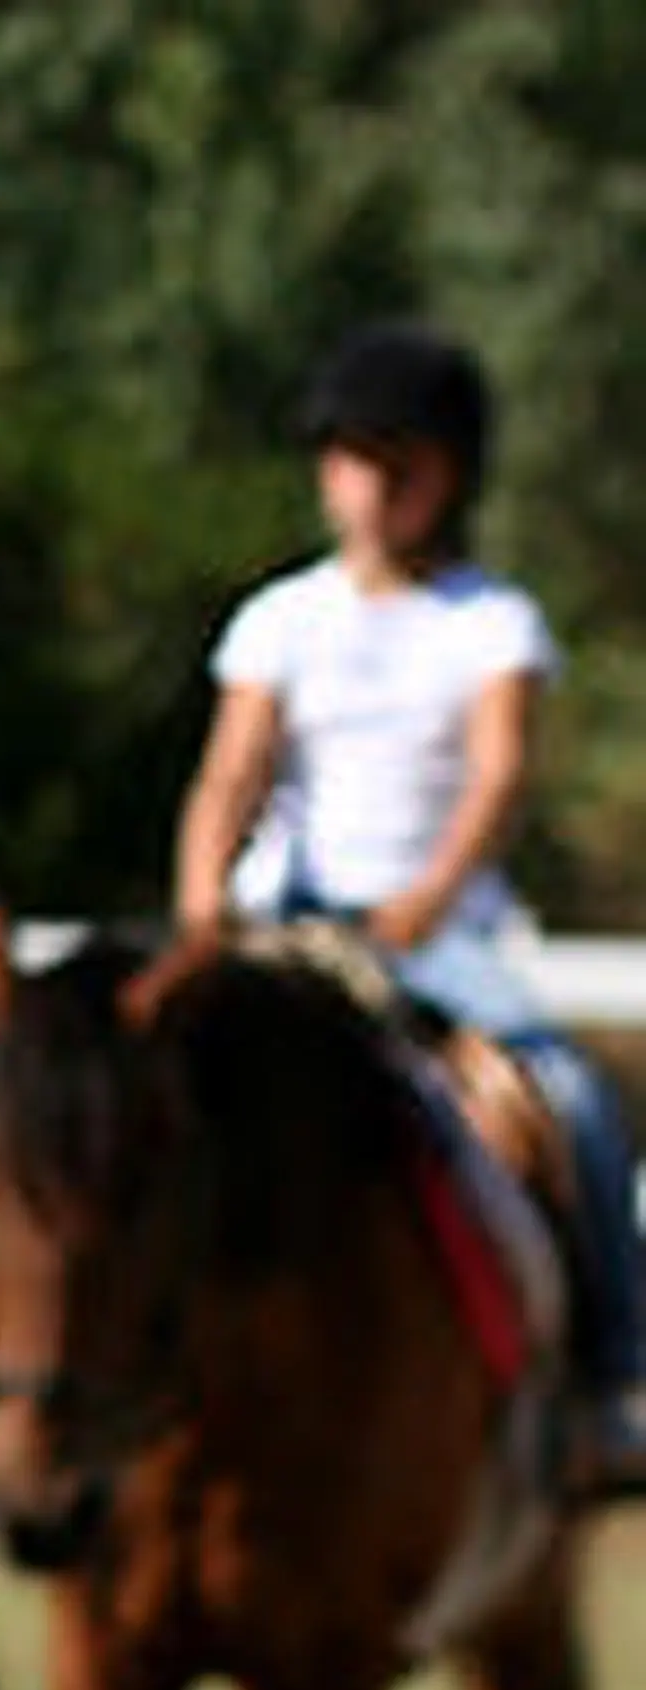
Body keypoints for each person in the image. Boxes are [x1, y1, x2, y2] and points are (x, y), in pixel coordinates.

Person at [174, 316, 646, 1490]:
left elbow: (494, 776)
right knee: (102, 1084)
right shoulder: (279, 618)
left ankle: (613, 1375)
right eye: (349, 458)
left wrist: (424, 901)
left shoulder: (491, 623)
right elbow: (230, 773)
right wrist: (198, 909)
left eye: (397, 462)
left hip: (429, 933)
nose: (370, 487)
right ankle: (21, 1354)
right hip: (280, 922)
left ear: (448, 476)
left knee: (573, 1100)